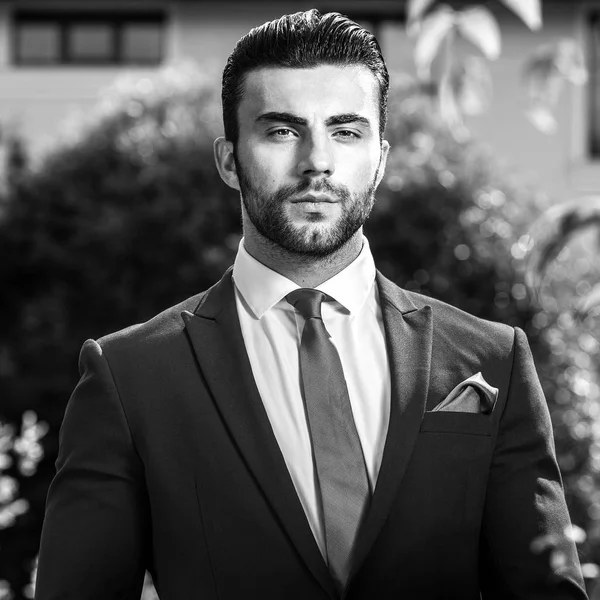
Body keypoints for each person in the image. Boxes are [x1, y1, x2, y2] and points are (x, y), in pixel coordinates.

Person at [35, 9, 587, 600]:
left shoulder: (491, 360)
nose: (316, 162)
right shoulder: (129, 377)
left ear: (381, 157)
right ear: (228, 160)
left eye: (346, 131)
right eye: (281, 131)